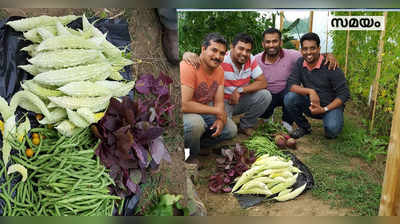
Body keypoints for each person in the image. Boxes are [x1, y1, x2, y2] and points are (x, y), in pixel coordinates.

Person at [184, 33, 272, 136]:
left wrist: (240, 90)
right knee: (226, 129)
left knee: (265, 95)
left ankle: (246, 125)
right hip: (222, 101)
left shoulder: (250, 59)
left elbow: (263, 82)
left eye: (248, 50)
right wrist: (187, 54)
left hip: (239, 99)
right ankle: (199, 140)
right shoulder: (221, 58)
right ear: (232, 47)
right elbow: (205, 59)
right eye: (241, 48)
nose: (244, 53)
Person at [255, 28, 338, 133]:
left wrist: (328, 55)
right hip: (268, 95)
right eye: (268, 42)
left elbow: (310, 55)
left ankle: (287, 122)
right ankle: (266, 117)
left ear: (280, 42)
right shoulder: (256, 59)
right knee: (263, 94)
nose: (271, 45)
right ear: (263, 44)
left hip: (286, 92)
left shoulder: (292, 55)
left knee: (291, 93)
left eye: (275, 41)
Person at [181, 33, 237, 163]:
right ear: (203, 49)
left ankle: (199, 145)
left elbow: (219, 102)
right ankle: (189, 157)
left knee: (230, 129)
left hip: (202, 112)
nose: (218, 56)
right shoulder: (189, 66)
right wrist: (217, 112)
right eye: (214, 50)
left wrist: (221, 120)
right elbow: (184, 105)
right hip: (183, 114)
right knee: (196, 124)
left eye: (222, 53)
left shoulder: (219, 71)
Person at [284, 32, 350, 139]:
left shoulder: (330, 65)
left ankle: (331, 122)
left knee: (332, 131)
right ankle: (304, 127)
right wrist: (311, 92)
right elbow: (291, 85)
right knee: (290, 98)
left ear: (319, 49)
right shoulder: (300, 63)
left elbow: (344, 94)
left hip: (331, 107)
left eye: (312, 48)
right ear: (301, 50)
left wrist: (324, 109)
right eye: (305, 49)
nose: (308, 52)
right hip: (311, 105)